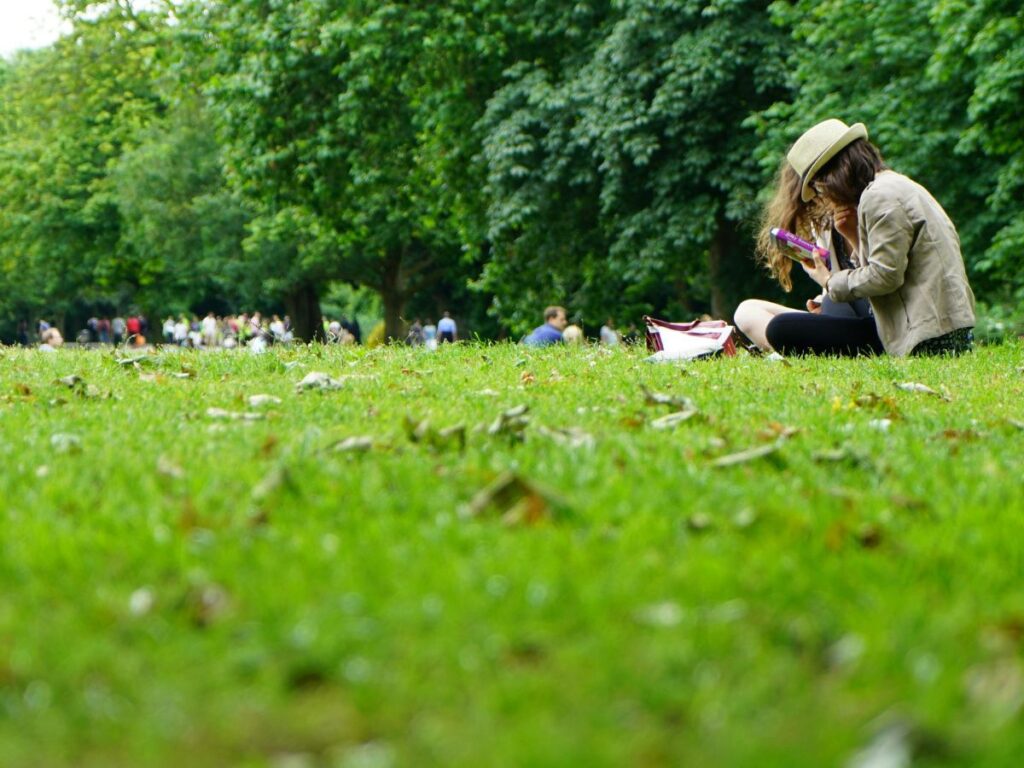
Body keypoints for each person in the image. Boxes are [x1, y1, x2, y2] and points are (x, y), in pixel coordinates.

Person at [735, 118, 975, 356]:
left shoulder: (880, 197)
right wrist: (851, 235)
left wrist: (829, 282)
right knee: (781, 312)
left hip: (928, 338)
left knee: (781, 329)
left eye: (819, 186)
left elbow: (885, 277)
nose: (823, 195)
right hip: (929, 329)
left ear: (836, 172)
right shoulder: (888, 187)